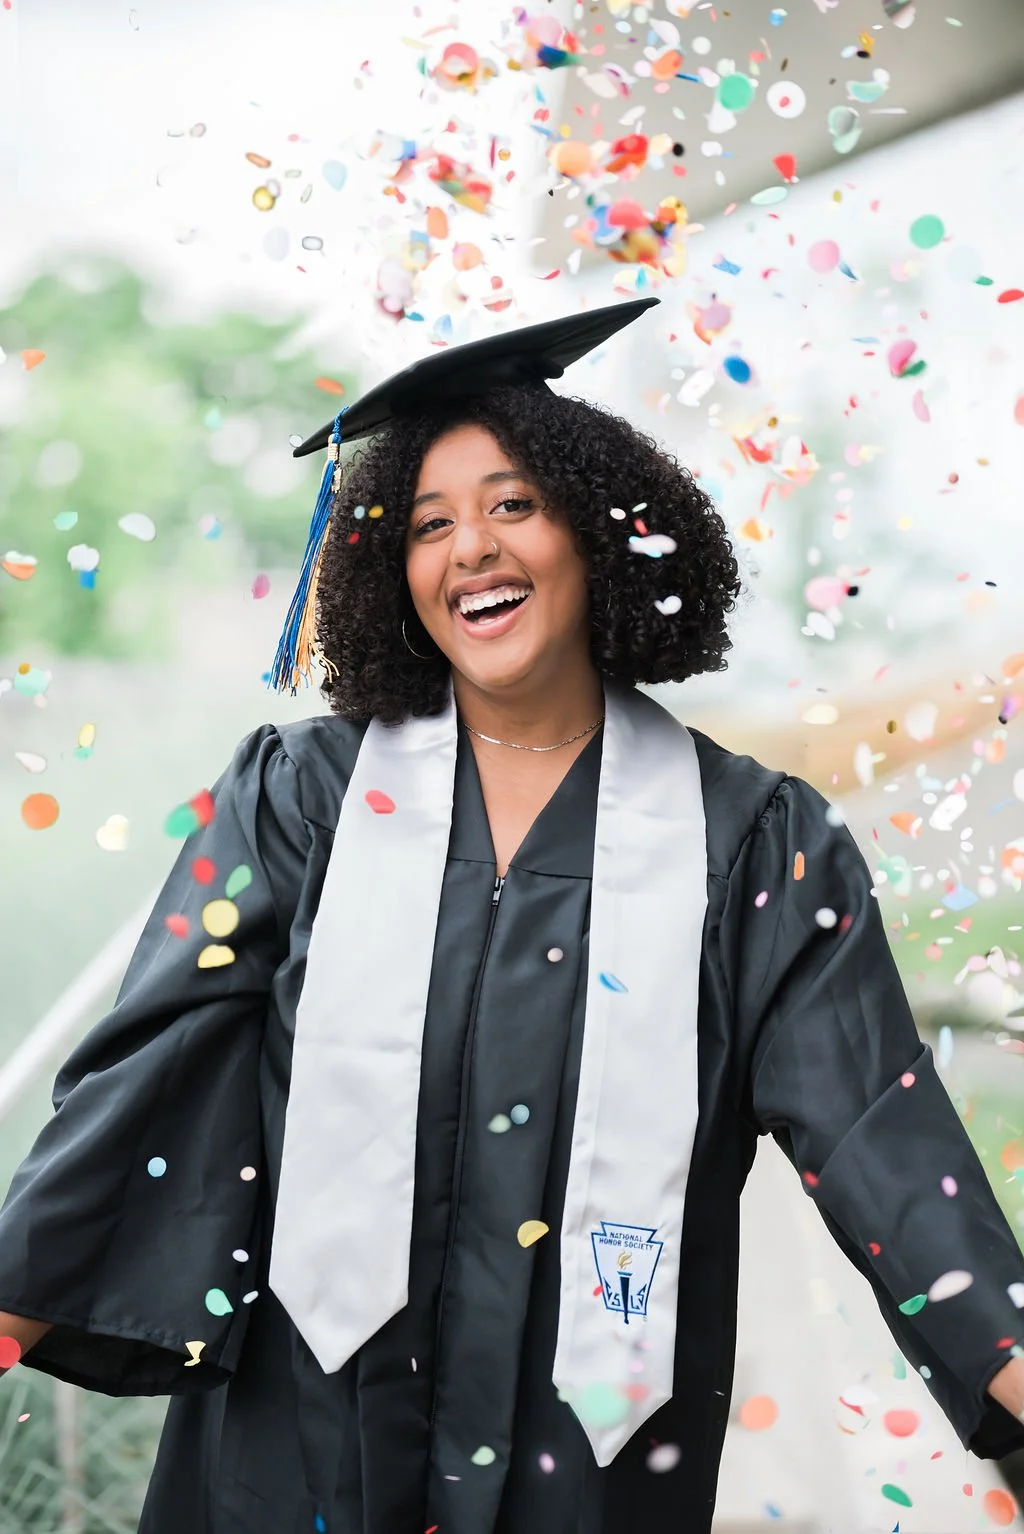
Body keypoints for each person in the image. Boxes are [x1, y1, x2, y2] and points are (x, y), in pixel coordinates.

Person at [0, 297, 1021, 1534]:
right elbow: (152, 1070)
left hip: (584, 1446)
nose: (469, 547)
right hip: (302, 1431)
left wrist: (1006, 1350)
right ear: (392, 573)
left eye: (512, 505)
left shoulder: (756, 841)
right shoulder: (301, 800)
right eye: (428, 525)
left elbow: (875, 1128)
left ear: (597, 532)